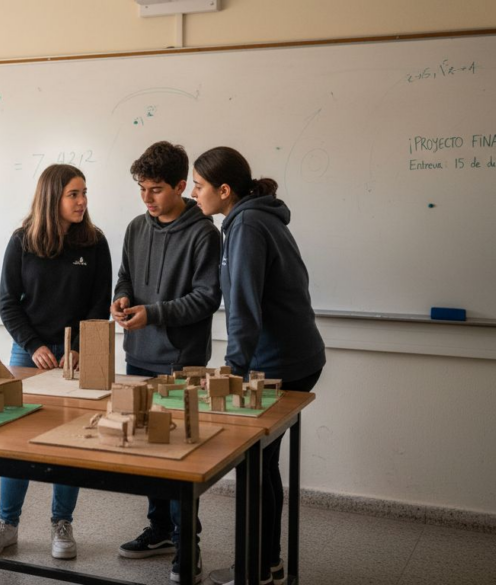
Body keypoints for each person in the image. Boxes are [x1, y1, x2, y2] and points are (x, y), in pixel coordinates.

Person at [191, 146, 325, 585]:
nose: (195, 194)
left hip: (279, 363)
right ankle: (267, 564)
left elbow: (244, 308)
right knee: (264, 465)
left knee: (257, 466)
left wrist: (231, 371)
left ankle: (257, 569)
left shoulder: (247, 223)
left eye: (199, 185)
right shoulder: (253, 218)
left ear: (224, 190)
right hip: (289, 358)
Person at [0, 164, 112, 560]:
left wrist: (81, 347)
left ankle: (62, 524)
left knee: (69, 444)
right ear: (53, 197)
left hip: (77, 356)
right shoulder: (22, 241)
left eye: (84, 192)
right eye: (74, 194)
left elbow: (98, 305)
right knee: (17, 442)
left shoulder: (94, 243)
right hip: (29, 353)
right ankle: (7, 523)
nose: (83, 201)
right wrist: (33, 345)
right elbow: (7, 303)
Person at [111, 141, 222, 583]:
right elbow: (124, 276)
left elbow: (206, 298)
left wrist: (153, 313)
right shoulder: (136, 227)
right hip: (138, 357)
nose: (147, 198)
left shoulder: (204, 234)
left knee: (179, 459)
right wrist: (121, 298)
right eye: (141, 188)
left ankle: (186, 543)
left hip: (181, 362)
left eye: (156, 189)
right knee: (148, 456)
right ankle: (160, 530)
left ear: (182, 186)